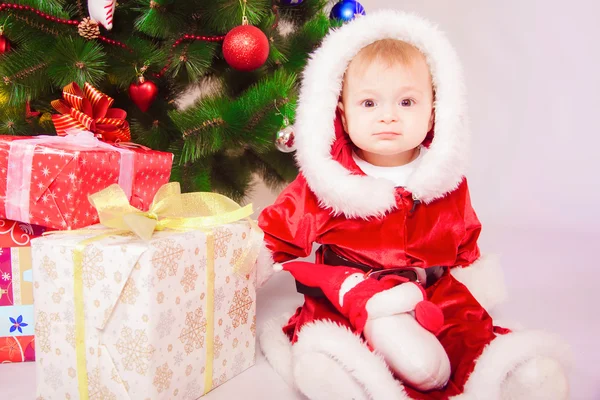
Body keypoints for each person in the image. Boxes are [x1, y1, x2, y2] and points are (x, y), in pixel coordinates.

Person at [256, 10, 570, 400]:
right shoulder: (329, 181)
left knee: (466, 333)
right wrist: (250, 263)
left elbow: (465, 239)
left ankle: (513, 374)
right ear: (341, 112)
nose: (388, 116)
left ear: (435, 111)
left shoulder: (443, 180)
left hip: (432, 294)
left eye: (406, 101)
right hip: (355, 296)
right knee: (335, 338)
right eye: (369, 103)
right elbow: (278, 233)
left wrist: (473, 280)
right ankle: (341, 377)